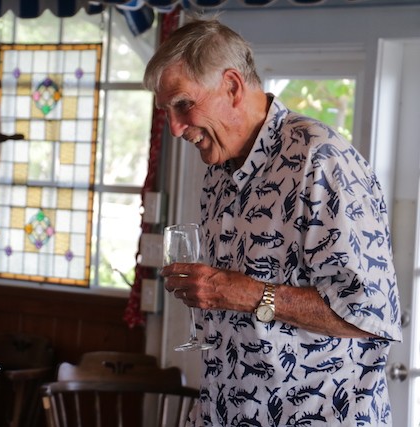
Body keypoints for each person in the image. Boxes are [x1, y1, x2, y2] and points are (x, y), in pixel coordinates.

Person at [148, 18, 402, 426]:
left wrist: (247, 294)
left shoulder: (322, 161)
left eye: (182, 104)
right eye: (166, 111)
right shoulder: (217, 171)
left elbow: (370, 313)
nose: (175, 128)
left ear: (232, 86)